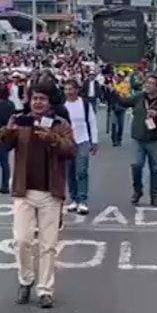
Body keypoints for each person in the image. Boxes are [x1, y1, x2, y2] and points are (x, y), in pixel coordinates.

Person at [0, 85, 76, 309]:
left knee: (48, 245)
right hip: (24, 190)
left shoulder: (60, 124)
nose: (38, 102)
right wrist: (7, 131)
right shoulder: (20, 121)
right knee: (22, 240)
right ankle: (25, 280)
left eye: (42, 99)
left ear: (50, 102)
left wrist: (52, 138)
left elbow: (71, 150)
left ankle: (45, 290)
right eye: (35, 98)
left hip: (51, 192)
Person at [116, 75, 157, 207]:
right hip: (139, 138)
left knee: (155, 169)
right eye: (147, 82)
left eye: (151, 83)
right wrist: (115, 93)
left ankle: (155, 197)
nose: (147, 85)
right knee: (136, 165)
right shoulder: (139, 97)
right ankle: (137, 191)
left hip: (155, 139)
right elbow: (125, 102)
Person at [63, 79, 99, 215]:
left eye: (71, 89)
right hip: (67, 142)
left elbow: (92, 122)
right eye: (66, 89)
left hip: (83, 141)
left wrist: (94, 141)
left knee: (81, 171)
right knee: (70, 171)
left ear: (77, 90)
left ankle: (83, 200)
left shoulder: (84, 104)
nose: (68, 92)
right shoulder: (63, 105)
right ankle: (74, 199)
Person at [110, 73, 130, 147]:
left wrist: (116, 91)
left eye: (120, 77)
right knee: (114, 124)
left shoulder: (125, 85)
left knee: (121, 125)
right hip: (114, 107)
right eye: (118, 76)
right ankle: (114, 140)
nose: (118, 78)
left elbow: (125, 96)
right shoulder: (113, 85)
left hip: (121, 107)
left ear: (122, 78)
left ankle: (119, 139)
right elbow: (110, 96)